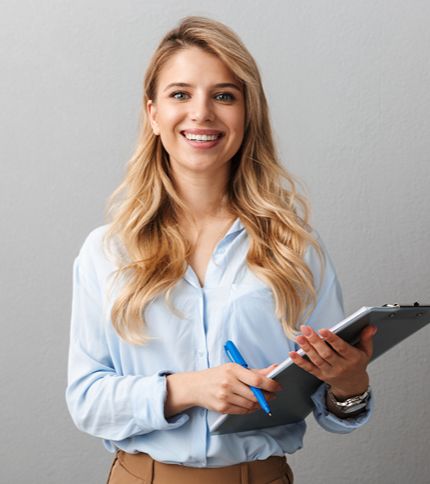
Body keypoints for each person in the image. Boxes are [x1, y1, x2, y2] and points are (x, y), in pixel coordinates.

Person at [66, 16, 376, 484]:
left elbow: (331, 411)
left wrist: (349, 385)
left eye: (224, 96)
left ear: (247, 113)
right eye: (180, 94)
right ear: (153, 113)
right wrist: (186, 388)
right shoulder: (106, 251)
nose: (202, 113)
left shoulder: (295, 249)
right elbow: (86, 402)